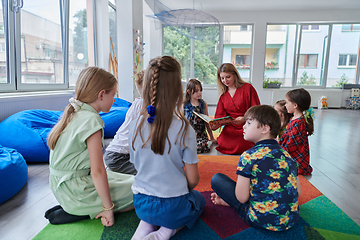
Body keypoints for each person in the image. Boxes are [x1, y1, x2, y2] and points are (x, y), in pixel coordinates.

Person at [45, 67, 134, 227]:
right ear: (101, 95)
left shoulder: (75, 113)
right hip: (77, 191)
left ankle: (77, 208)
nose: (115, 99)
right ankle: (86, 211)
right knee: (144, 193)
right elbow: (98, 171)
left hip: (65, 187)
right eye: (113, 94)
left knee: (134, 180)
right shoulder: (92, 120)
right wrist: (108, 208)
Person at [129, 56, 206, 240]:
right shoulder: (184, 127)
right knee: (199, 200)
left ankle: (145, 225)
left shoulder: (135, 124)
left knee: (154, 209)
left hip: (141, 203)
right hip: (173, 206)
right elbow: (193, 180)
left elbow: (137, 166)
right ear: (178, 91)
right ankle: (166, 232)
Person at [211, 105, 301, 231]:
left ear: (265, 128)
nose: (243, 126)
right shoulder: (287, 155)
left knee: (217, 179)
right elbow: (298, 192)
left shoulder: (249, 155)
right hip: (291, 219)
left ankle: (229, 203)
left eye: (248, 123)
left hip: (259, 220)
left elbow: (242, 198)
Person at [211, 63, 260, 155]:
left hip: (247, 125)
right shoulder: (223, 95)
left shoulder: (248, 88)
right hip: (231, 126)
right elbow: (219, 116)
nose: (225, 80)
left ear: (235, 75)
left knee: (241, 143)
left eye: (228, 77)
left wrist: (245, 119)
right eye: (222, 78)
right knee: (224, 142)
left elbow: (256, 110)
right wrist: (216, 125)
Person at [103, 70, 145, 175]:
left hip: (117, 154)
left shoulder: (138, 103)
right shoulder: (142, 105)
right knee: (148, 172)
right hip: (118, 157)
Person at [279, 88, 314, 175]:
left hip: (296, 158)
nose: (285, 105)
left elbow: (293, 144)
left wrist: (281, 151)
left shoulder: (299, 122)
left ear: (295, 105)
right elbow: (285, 136)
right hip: (288, 152)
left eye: (287, 103)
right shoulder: (293, 119)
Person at [183, 79, 217, 153]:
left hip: (201, 135)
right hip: (189, 134)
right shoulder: (185, 105)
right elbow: (181, 122)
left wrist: (212, 138)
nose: (199, 93)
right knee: (187, 148)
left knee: (201, 147)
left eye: (200, 90)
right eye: (196, 91)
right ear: (189, 92)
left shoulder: (203, 104)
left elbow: (207, 122)